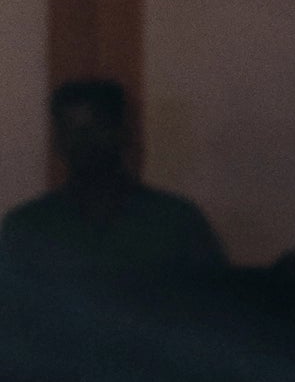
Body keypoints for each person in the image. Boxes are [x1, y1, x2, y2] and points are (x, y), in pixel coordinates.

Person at [0, 79, 228, 295]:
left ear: (123, 132)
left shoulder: (176, 222)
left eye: (97, 126)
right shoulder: (27, 228)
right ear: (57, 141)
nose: (85, 140)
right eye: (72, 129)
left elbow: (214, 308)